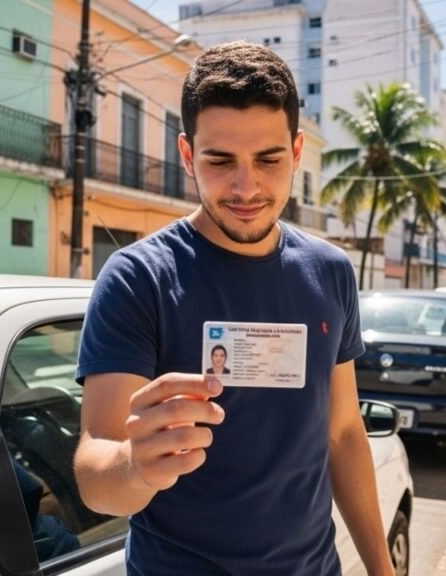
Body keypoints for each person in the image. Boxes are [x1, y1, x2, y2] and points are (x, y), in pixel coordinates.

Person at [73, 42, 394, 575]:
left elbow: (342, 433)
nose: (246, 187)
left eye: (268, 160)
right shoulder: (138, 278)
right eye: (219, 161)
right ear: (186, 154)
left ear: (295, 154)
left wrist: (382, 571)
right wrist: (136, 465)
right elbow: (95, 471)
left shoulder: (331, 271)